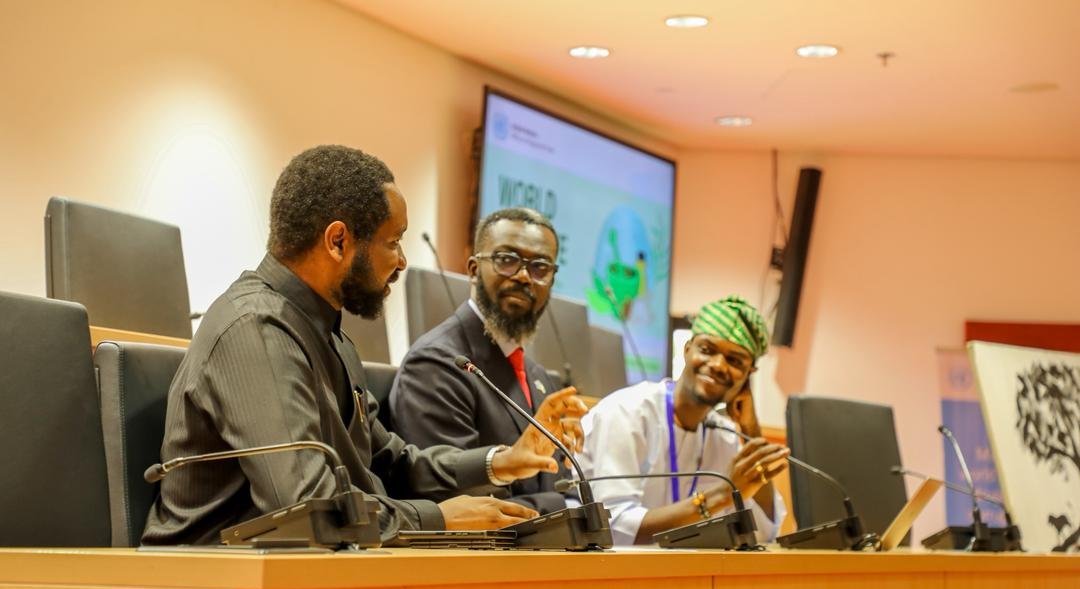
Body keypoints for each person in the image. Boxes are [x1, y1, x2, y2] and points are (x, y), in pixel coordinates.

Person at [142, 145, 583, 545]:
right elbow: (307, 506)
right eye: (393, 242)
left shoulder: (328, 335)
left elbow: (392, 464)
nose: (402, 261)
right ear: (338, 241)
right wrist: (438, 519)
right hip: (205, 588)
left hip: (296, 573)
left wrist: (503, 462)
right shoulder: (256, 331)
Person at [390, 208, 583, 514]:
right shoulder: (437, 363)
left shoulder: (537, 376)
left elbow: (554, 482)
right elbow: (460, 504)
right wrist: (568, 505)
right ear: (473, 269)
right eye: (507, 259)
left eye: (540, 267)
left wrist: (566, 502)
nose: (523, 276)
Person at [576, 295, 789, 545]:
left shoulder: (726, 435)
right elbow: (613, 527)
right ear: (687, 350)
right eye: (707, 350)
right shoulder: (628, 411)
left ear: (748, 375)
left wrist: (751, 430)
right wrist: (719, 497)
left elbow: (762, 534)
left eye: (735, 361)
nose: (719, 365)